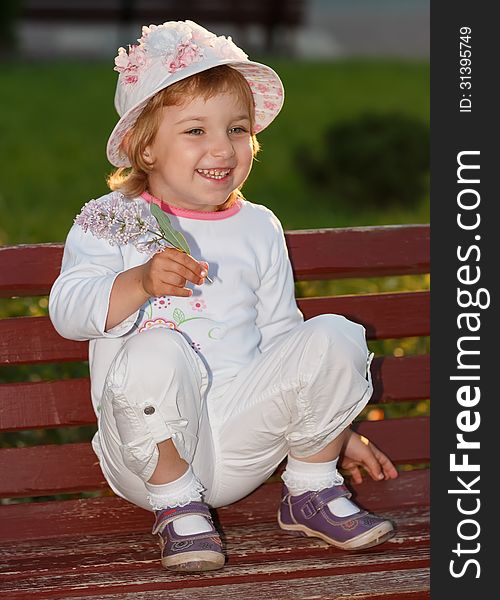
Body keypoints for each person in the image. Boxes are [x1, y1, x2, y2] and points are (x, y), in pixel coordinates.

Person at [49, 20, 398, 573]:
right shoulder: (113, 221)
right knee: (156, 347)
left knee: (336, 334)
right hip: (147, 453)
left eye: (237, 129)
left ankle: (309, 489)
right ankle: (177, 507)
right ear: (145, 148)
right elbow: (68, 311)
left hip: (244, 441)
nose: (222, 147)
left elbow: (284, 336)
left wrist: (331, 428)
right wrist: (138, 282)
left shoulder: (258, 226)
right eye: (195, 131)